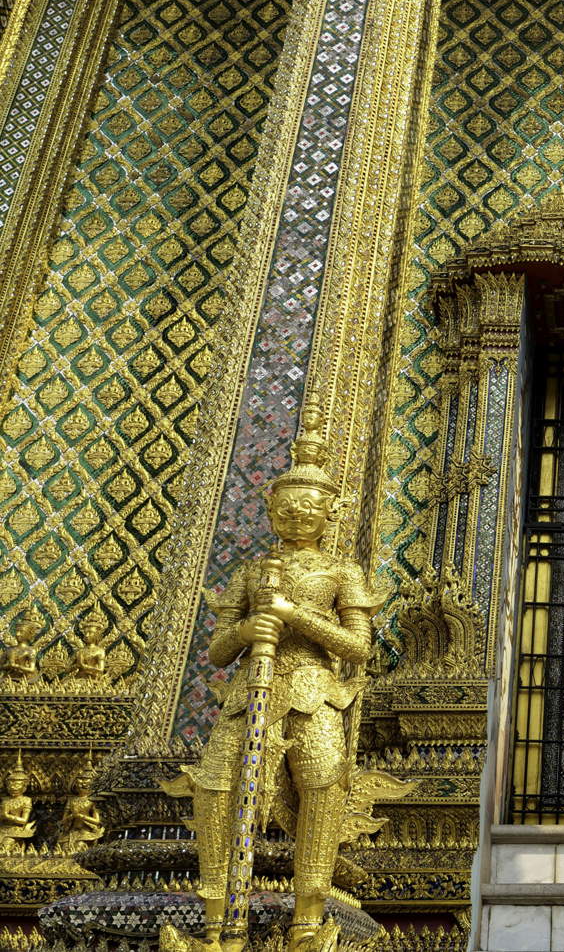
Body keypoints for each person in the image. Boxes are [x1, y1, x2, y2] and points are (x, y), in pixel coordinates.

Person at [164, 404, 381, 951]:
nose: (298, 515)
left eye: (310, 507)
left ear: (329, 513)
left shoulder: (340, 571)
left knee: (322, 785)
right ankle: (218, 921)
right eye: (287, 506)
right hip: (248, 692)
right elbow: (216, 651)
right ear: (271, 509)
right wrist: (248, 629)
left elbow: (358, 648)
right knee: (214, 788)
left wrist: (294, 614)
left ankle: (308, 919)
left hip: (313, 688)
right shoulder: (252, 570)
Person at [58, 754, 103, 849]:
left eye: (86, 784)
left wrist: (81, 816)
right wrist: (71, 816)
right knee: (64, 849)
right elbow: (63, 821)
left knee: (79, 848)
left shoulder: (93, 800)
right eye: (80, 783)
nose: (82, 785)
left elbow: (97, 821)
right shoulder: (72, 800)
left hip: (86, 832)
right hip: (71, 832)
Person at [0, 751, 37, 852]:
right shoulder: (5, 799)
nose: (13, 787)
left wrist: (7, 816)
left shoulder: (26, 800)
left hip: (15, 830)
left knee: (4, 848)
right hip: (2, 828)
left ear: (24, 786)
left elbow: (24, 820)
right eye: (10, 784)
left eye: (17, 784)